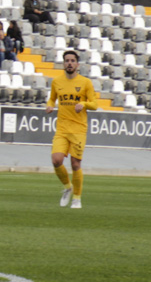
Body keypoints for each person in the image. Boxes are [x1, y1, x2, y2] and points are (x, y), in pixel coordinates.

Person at [45, 50, 97, 209]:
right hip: (61, 128)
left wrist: (84, 104)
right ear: (63, 63)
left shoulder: (85, 82)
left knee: (75, 164)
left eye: (72, 60)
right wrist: (49, 105)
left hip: (78, 129)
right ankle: (68, 187)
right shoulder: (57, 82)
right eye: (67, 60)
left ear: (77, 64)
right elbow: (52, 98)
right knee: (56, 160)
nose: (69, 63)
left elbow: (94, 104)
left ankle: (77, 198)